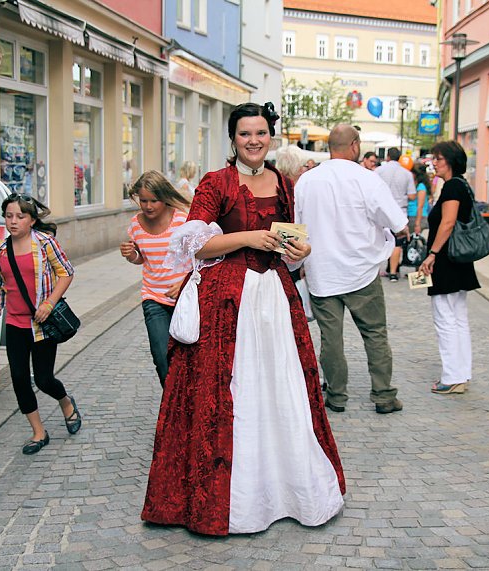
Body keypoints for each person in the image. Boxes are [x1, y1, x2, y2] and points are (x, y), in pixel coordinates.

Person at [142, 102, 345, 536]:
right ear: (233, 139)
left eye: (260, 133)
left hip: (275, 297)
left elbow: (290, 237)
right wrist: (249, 237)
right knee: (233, 392)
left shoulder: (285, 184)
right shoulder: (216, 183)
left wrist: (300, 251)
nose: (253, 141)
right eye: (244, 134)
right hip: (227, 303)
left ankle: (287, 490)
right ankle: (234, 500)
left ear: (271, 135)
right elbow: (192, 243)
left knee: (281, 388)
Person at [295, 124, 407, 415]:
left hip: (322, 271)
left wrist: (296, 264)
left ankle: (336, 396)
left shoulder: (307, 181)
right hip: (362, 272)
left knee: (330, 337)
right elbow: (398, 223)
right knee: (375, 334)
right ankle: (383, 395)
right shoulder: (367, 179)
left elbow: (296, 226)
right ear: (355, 145)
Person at [0, 194, 81, 454]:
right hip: (15, 323)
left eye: (20, 216)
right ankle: (38, 432)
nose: (13, 221)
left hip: (41, 323)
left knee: (43, 379)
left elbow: (66, 272)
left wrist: (49, 303)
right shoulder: (0, 249)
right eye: (9, 216)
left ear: (32, 220)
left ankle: (65, 403)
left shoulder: (45, 243)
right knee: (18, 378)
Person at [417, 141, 480, 396]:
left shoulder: (453, 186)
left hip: (446, 261)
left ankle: (452, 376)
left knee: (445, 319)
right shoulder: (460, 185)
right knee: (458, 318)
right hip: (457, 261)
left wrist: (431, 254)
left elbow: (448, 222)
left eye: (439, 159)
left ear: (451, 161)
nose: (434, 162)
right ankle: (461, 373)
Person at [121, 171, 191, 387]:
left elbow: (201, 257)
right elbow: (142, 259)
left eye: (154, 200)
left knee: (190, 358)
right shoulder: (135, 224)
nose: (148, 206)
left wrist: (184, 283)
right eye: (143, 201)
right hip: (154, 298)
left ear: (164, 197)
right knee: (162, 359)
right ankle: (173, 412)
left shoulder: (182, 219)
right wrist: (131, 254)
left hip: (186, 298)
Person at [375, 147, 414, 282]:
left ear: (387, 157)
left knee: (380, 240)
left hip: (381, 211)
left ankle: (378, 270)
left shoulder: (379, 171)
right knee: (397, 242)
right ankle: (393, 271)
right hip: (400, 211)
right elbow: (412, 195)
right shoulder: (406, 173)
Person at [409, 161, 431, 236]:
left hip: (416, 217)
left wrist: (417, 224)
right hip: (413, 216)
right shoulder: (416, 185)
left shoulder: (421, 187)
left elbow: (420, 206)